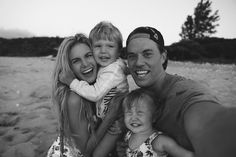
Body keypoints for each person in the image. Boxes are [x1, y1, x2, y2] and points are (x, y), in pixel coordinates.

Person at [124, 26, 236, 157]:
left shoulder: (184, 93)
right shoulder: (139, 97)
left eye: (147, 54)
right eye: (132, 56)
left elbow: (211, 122)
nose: (138, 62)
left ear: (163, 56)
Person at [47, 33, 123, 157]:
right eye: (76, 61)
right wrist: (110, 117)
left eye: (88, 56)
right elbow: (85, 152)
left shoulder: (96, 88)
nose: (85, 64)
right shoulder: (74, 99)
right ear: (69, 68)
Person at [122, 88, 194, 157]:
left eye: (139, 113)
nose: (133, 118)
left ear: (154, 117)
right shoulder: (128, 135)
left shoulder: (159, 141)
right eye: (129, 113)